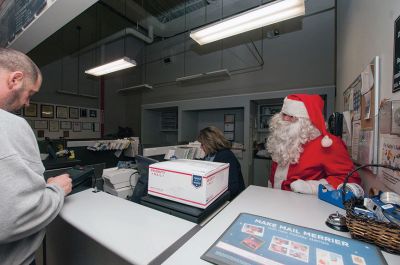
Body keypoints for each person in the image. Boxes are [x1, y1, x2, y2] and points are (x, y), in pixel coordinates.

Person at [0, 48, 72, 265]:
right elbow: (12, 220)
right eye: (30, 94)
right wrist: (56, 189)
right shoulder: (10, 124)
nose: (27, 103)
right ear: (15, 79)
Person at [266, 94, 360, 195]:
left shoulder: (328, 143)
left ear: (306, 121)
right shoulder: (282, 139)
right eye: (284, 114)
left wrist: (311, 187)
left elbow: (350, 180)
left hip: (306, 206)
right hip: (276, 202)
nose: (285, 119)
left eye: (292, 116)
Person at [197, 126, 245, 200]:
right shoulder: (210, 155)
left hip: (233, 200)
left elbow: (233, 187)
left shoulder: (226, 156)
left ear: (210, 143)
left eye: (202, 144)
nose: (201, 147)